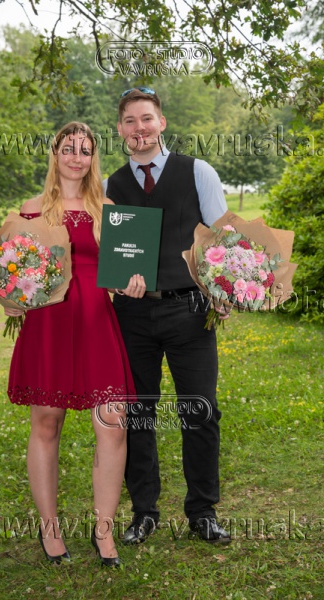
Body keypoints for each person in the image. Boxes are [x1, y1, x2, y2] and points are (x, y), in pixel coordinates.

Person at [5, 121, 146, 567]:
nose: (76, 157)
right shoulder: (31, 210)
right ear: (55, 153)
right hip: (49, 323)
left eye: (85, 150)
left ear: (93, 159)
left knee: (114, 422)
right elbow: (13, 269)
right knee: (47, 424)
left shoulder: (109, 208)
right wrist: (12, 299)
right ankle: (49, 530)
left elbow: (119, 272)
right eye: (69, 148)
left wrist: (130, 283)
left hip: (97, 322)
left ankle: (104, 532)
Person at [105, 88, 231, 544]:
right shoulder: (111, 186)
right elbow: (108, 256)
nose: (139, 128)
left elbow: (223, 240)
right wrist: (118, 281)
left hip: (190, 310)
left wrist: (224, 290)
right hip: (132, 316)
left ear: (162, 123)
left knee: (200, 410)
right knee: (138, 414)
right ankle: (144, 512)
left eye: (147, 118)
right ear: (120, 129)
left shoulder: (197, 171)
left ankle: (202, 511)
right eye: (130, 121)